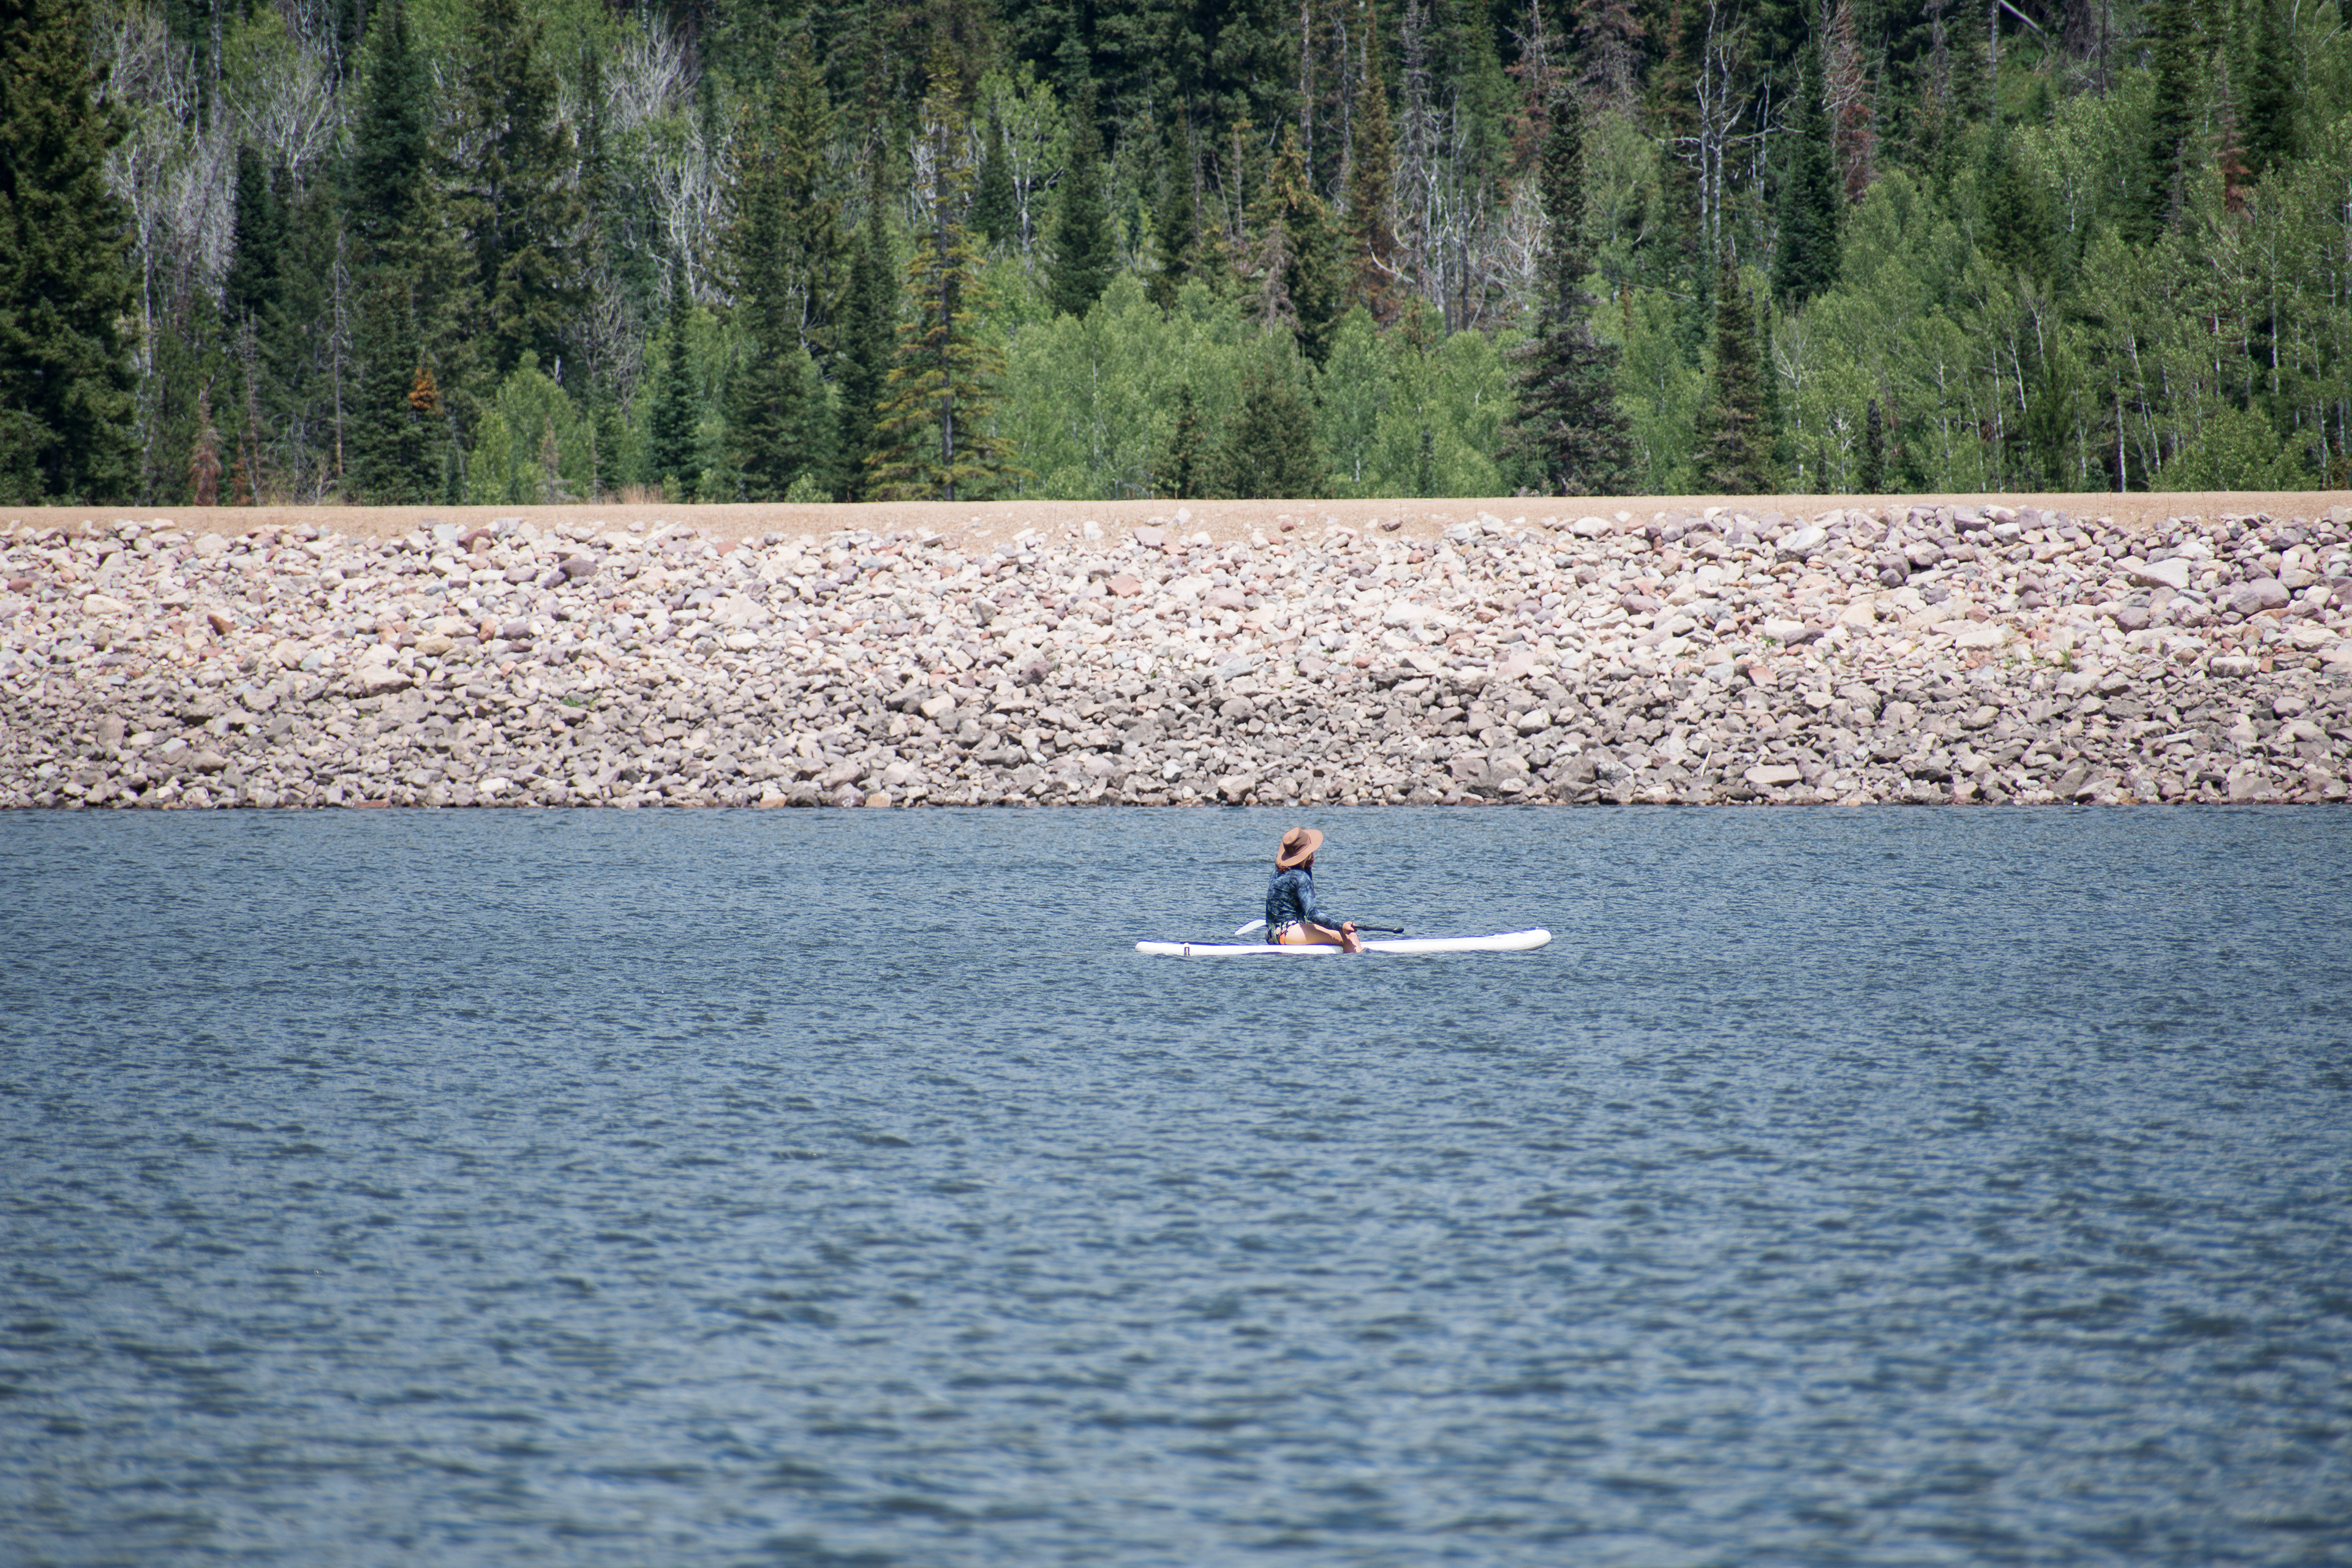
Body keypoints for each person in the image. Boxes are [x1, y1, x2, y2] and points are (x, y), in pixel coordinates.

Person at [1265, 827, 1362, 952]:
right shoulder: (1301, 877)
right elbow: (1312, 914)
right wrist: (1341, 927)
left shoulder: (1276, 872)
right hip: (1289, 933)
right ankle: (1359, 963)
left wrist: (1307, 867)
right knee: (1348, 936)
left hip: (1271, 934)